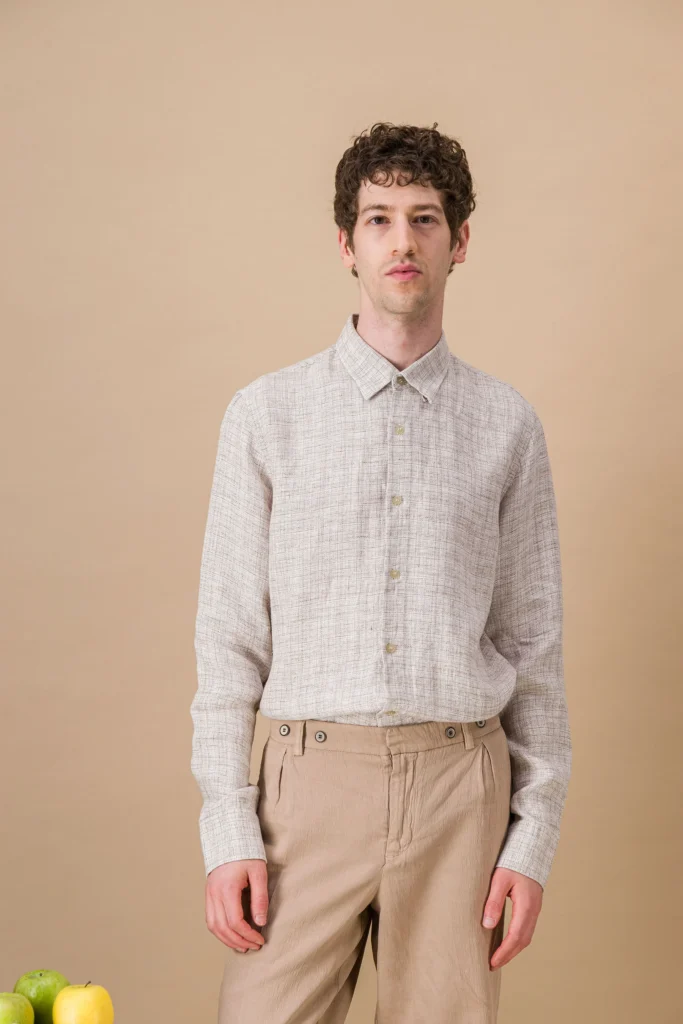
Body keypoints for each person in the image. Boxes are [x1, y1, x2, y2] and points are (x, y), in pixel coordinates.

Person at [190, 121, 572, 1023]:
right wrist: (227, 828)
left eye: (424, 219)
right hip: (304, 790)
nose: (402, 241)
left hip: (459, 791)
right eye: (378, 219)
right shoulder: (267, 414)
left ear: (459, 241)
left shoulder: (507, 426)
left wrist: (531, 842)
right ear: (346, 244)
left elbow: (533, 647)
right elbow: (228, 638)